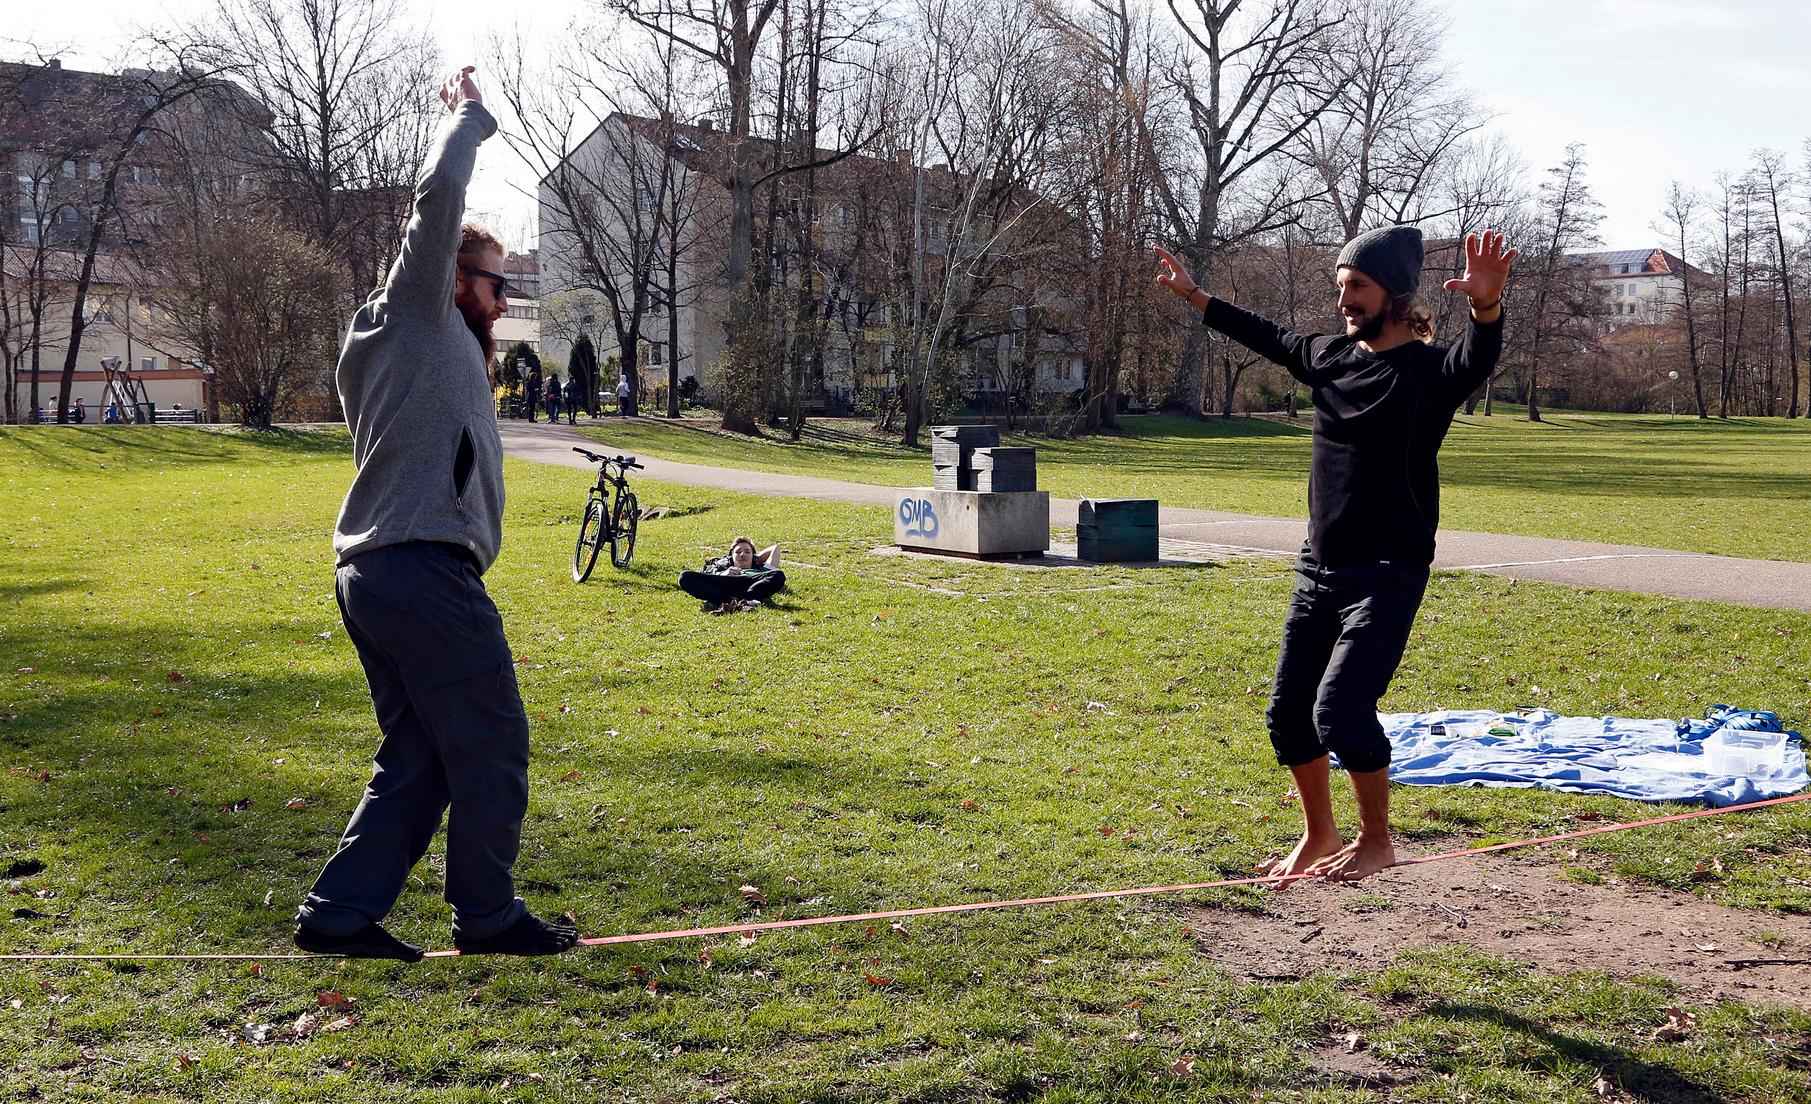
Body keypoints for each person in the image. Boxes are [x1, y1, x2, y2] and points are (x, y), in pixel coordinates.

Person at [294, 65, 577, 961]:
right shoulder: (411, 308)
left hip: (384, 569)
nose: (504, 301)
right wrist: (469, 118)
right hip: (417, 568)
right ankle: (486, 917)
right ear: (450, 273)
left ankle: (340, 914)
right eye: (497, 283)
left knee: (419, 755)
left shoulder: (429, 338)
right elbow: (438, 196)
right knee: (491, 739)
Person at [1152, 227, 1515, 883]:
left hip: (1386, 572)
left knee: (1340, 712)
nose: (1345, 299)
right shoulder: (1328, 357)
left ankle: (1376, 839)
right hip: (1317, 569)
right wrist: (1194, 296)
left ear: (1396, 296)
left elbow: (1476, 357)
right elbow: (1263, 333)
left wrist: (1486, 306)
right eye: (1340, 287)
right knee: (1288, 717)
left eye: (1358, 287)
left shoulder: (1429, 376)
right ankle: (1318, 834)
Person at [679, 537, 785, 613]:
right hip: (725, 583)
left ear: (753, 556)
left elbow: (774, 549)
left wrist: (755, 558)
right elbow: (705, 576)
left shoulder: (761, 569)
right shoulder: (720, 567)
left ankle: (732, 602)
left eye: (747, 552)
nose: (742, 554)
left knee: (778, 574)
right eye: (738, 552)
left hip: (750, 584)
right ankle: (738, 603)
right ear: (731, 556)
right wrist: (724, 574)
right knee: (685, 576)